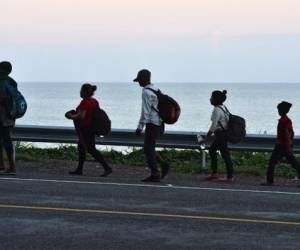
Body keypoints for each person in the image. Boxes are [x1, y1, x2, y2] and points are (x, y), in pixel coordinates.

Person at [65, 83, 112, 177]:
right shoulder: (94, 101)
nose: (80, 92)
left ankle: (107, 168)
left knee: (91, 149)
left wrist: (70, 116)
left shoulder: (85, 102)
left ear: (84, 92)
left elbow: (81, 116)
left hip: (86, 129)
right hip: (91, 127)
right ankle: (79, 169)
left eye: (81, 90)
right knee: (81, 148)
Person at [134, 69, 170, 182]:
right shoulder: (156, 89)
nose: (138, 82)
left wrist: (140, 127)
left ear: (145, 79)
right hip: (160, 122)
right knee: (149, 148)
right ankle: (163, 165)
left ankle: (155, 173)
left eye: (139, 80)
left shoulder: (146, 92)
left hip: (152, 124)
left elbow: (145, 111)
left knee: (148, 149)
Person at [261, 101, 300, 186]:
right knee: (294, 163)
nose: (278, 111)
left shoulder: (284, 121)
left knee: (272, 162)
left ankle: (269, 181)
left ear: (282, 110)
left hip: (282, 145)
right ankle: (269, 180)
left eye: (279, 110)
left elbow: (286, 134)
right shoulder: (286, 120)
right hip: (284, 144)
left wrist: (288, 147)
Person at [204, 90, 234, 183]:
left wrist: (207, 137)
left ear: (215, 99)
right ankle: (215, 173)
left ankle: (229, 177)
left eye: (211, 97)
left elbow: (213, 126)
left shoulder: (217, 110)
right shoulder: (223, 107)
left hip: (221, 135)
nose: (210, 99)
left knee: (225, 155)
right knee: (213, 150)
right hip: (223, 133)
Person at [0, 61, 17, 175]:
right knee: (7, 140)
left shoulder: (1, 81)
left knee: (4, 140)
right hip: (10, 116)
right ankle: (10, 166)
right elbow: (14, 101)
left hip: (1, 115)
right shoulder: (12, 82)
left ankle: (5, 166)